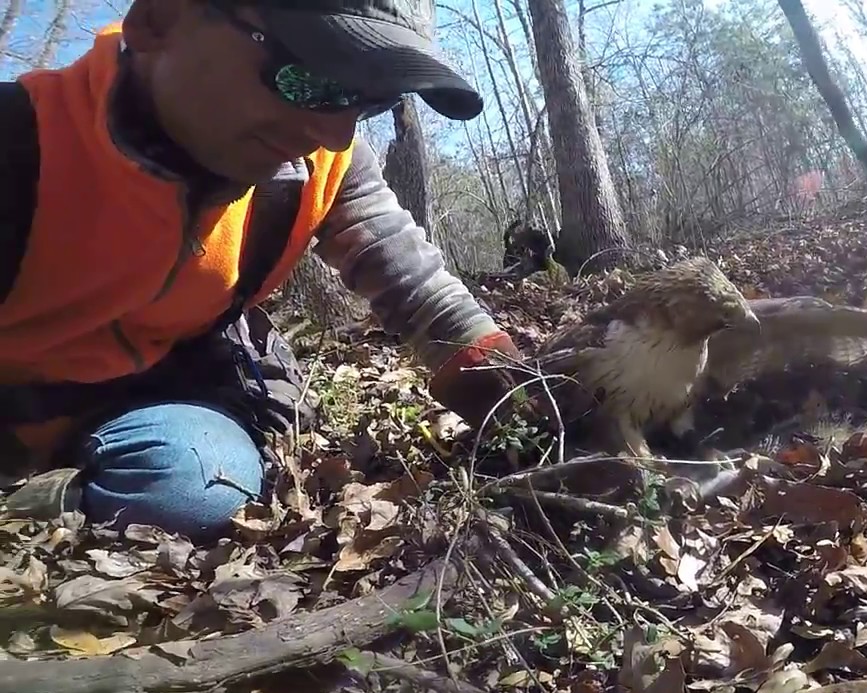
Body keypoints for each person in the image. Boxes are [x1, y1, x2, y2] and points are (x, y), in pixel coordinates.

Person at [0, 0, 527, 540]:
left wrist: (530, 407)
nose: (335, 134)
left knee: (200, 485)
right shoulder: (21, 141)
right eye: (307, 78)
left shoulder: (321, 165)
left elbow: (419, 292)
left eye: (368, 100)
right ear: (159, 20)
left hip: (156, 397)